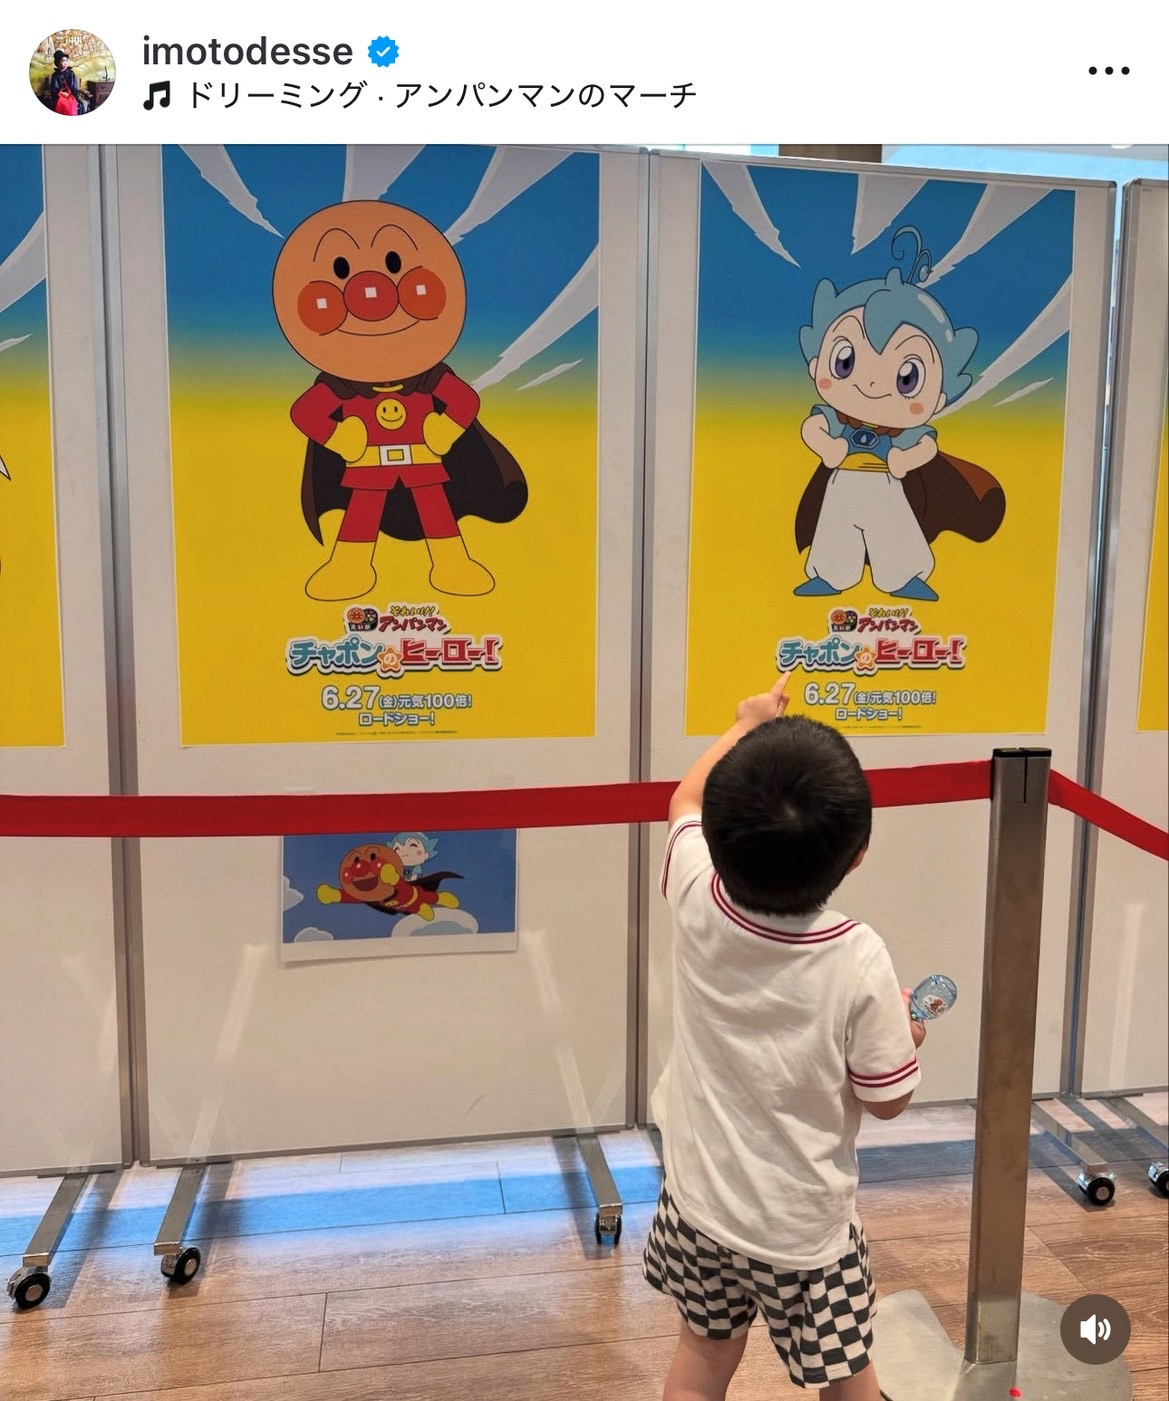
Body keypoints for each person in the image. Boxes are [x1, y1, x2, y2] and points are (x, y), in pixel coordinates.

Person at [644, 673, 927, 1401]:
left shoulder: (696, 891)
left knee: (702, 1354)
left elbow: (681, 800)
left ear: (717, 835)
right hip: (805, 1232)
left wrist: (746, 722)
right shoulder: (857, 954)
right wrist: (908, 1033)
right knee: (847, 1373)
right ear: (857, 853)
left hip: (699, 1201)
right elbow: (887, 1098)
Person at [47, 50, 88, 114]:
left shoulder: (71, 73)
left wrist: (73, 97)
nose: (65, 63)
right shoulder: (54, 75)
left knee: (76, 105)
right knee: (57, 105)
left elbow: (74, 88)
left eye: (66, 60)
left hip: (71, 95)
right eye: (63, 61)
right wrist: (61, 93)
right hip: (58, 96)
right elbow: (54, 89)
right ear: (58, 63)